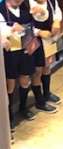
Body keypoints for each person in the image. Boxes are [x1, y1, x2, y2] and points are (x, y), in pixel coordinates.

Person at [0, 0, 38, 129]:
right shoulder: (1, 9)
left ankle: (23, 107)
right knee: (10, 83)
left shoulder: (26, 7)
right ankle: (9, 115)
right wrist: (11, 29)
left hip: (25, 49)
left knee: (25, 79)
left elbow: (33, 25)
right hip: (10, 53)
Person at [29, 0, 61, 107]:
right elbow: (23, 25)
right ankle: (39, 101)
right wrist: (38, 32)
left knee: (47, 66)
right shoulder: (26, 4)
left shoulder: (51, 1)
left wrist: (56, 21)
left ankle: (47, 93)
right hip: (35, 42)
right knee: (37, 71)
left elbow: (56, 12)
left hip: (49, 39)